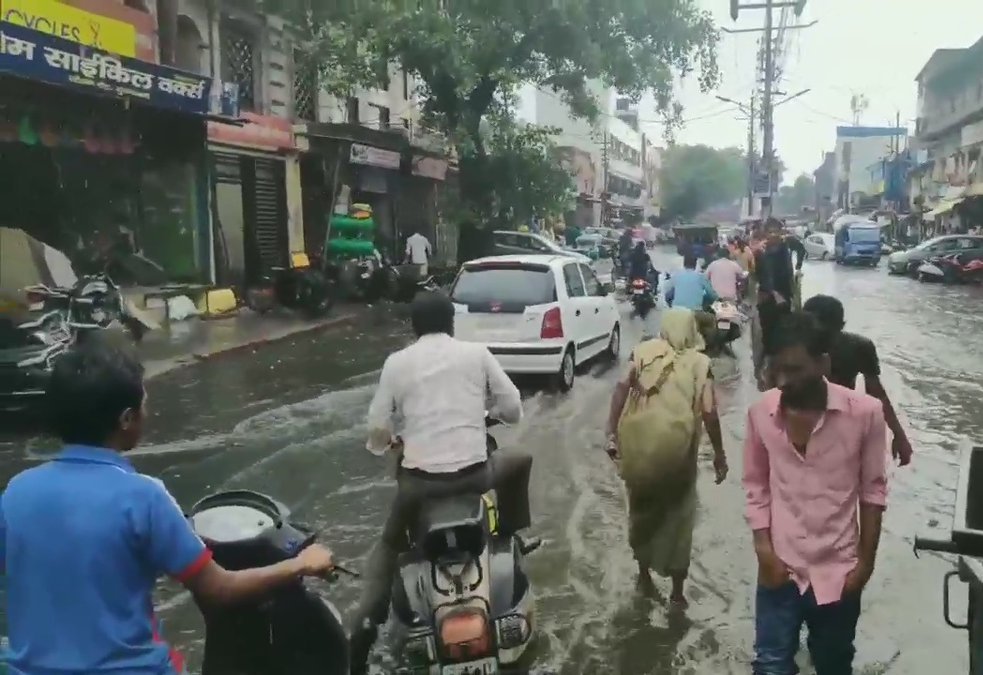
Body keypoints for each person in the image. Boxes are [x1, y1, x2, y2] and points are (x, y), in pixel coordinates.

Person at [1, 336, 336, 675]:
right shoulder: (144, 497)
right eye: (145, 402)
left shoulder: (16, 492)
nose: (151, 410)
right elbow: (219, 590)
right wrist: (302, 565)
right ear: (127, 419)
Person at [351, 291, 530, 675]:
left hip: (419, 487)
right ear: (452, 322)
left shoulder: (396, 363)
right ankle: (509, 536)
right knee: (519, 462)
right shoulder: (476, 354)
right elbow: (513, 407)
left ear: (413, 327)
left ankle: (361, 638)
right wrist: (486, 413)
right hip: (476, 478)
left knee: (387, 548)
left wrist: (388, 442)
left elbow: (378, 428)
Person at [743, 312, 888, 675]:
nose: (782, 380)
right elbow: (755, 484)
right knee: (771, 664)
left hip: (839, 572)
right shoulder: (761, 413)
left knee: (834, 663)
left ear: (823, 363)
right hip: (780, 567)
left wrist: (864, 565)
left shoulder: (866, 414)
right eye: (777, 370)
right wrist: (764, 550)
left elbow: (873, 493)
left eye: (794, 370)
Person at [605, 309, 727, 606]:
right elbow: (709, 410)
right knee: (679, 518)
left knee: (641, 511)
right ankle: (676, 592)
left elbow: (622, 385)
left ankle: (644, 576)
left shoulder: (643, 351)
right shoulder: (701, 362)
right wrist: (720, 455)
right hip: (678, 456)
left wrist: (611, 432)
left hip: (639, 448)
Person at [803, 294, 913, 466]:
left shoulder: (858, 348)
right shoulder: (798, 349)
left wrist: (899, 434)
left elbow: (877, 395)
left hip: (836, 428)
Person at [753, 219, 806, 385]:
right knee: (766, 333)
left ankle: (777, 368)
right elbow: (763, 275)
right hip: (769, 297)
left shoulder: (786, 245)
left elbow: (802, 249)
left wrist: (798, 266)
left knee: (784, 330)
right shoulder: (761, 250)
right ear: (765, 233)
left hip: (784, 294)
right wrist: (773, 293)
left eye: (776, 231)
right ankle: (764, 371)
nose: (773, 234)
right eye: (770, 231)